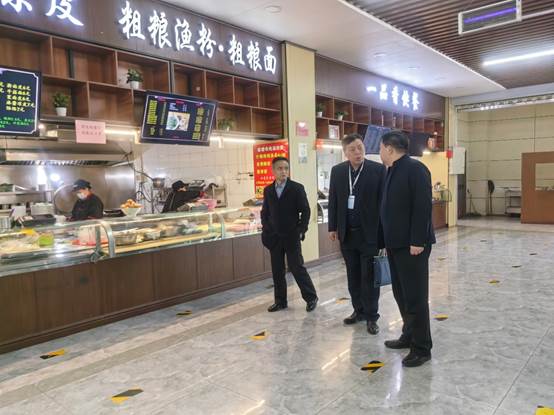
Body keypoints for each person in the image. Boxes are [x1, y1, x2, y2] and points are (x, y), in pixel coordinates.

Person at [379, 130, 436, 368]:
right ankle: (409, 334)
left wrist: (417, 241)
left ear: (389, 149)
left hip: (412, 245)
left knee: (415, 297)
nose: (380, 152)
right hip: (395, 244)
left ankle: (422, 348)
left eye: (381, 148)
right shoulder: (392, 170)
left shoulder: (415, 169)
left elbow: (422, 207)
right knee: (401, 293)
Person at [328, 133, 386, 335]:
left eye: (360, 147)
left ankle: (372, 316)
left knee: (369, 277)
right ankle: (358, 311)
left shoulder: (378, 170)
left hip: (370, 234)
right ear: (345, 152)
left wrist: (383, 234)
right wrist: (332, 227)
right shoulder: (338, 171)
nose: (357, 152)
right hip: (347, 234)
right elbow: (333, 200)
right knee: (352, 275)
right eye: (352, 149)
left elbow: (383, 203)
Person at [261, 157, 318, 313]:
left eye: (286, 168)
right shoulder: (268, 190)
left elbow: (305, 211)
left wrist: (301, 230)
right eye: (280, 168)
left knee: (297, 267)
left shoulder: (296, 188)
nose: (283, 171)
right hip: (274, 237)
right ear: (273, 170)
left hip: (291, 235)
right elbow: (265, 212)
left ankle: (311, 297)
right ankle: (280, 301)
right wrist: (266, 229)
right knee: (277, 270)